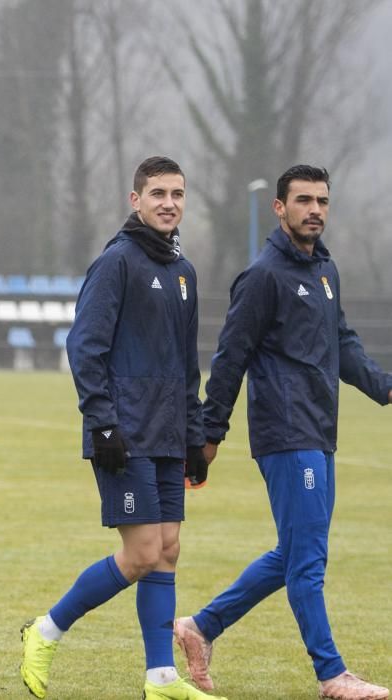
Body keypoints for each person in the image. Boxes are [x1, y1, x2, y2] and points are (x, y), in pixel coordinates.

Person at [173, 165, 391, 700]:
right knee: (309, 561)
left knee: (294, 553)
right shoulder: (264, 275)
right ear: (280, 208)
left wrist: (385, 388)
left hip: (321, 431)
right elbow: (230, 357)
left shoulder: (325, 271)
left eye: (321, 201)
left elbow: (342, 342)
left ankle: (200, 627)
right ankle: (332, 675)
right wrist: (210, 431)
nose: (314, 210)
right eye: (303, 201)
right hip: (287, 435)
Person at [19, 156, 223, 700]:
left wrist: (194, 435)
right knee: (139, 555)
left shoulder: (184, 273)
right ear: (136, 200)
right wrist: (103, 424)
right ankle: (44, 631)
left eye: (177, 194)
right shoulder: (116, 263)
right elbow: (84, 347)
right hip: (123, 434)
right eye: (157, 193)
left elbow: (186, 364)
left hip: (167, 433)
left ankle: (160, 679)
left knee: (169, 549)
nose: (169, 203)